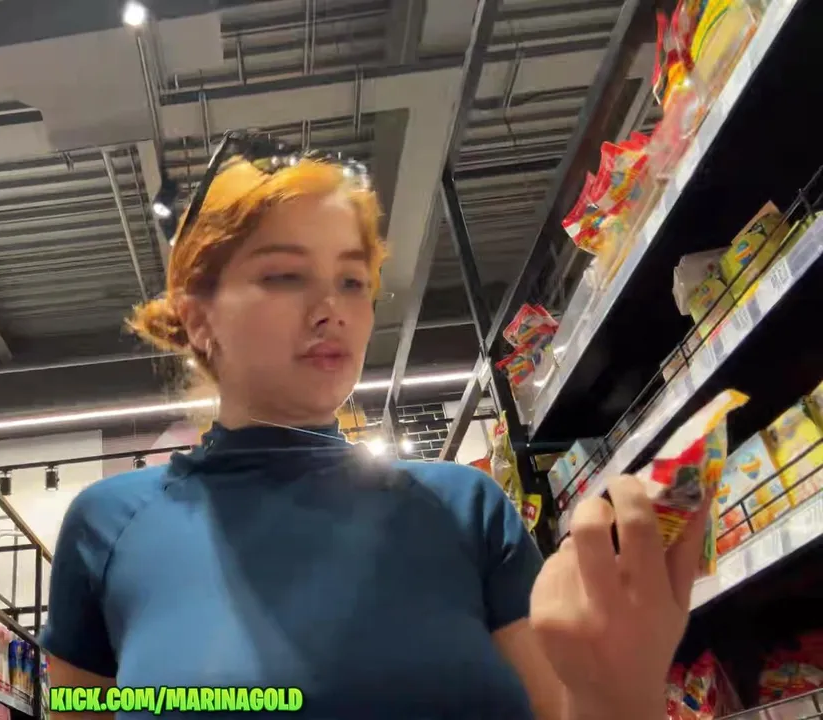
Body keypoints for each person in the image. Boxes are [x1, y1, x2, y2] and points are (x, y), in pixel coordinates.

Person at [40, 133, 708, 719]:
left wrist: (622, 693)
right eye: (285, 275)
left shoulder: (467, 510)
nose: (330, 308)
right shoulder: (108, 528)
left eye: (353, 281)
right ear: (198, 318)